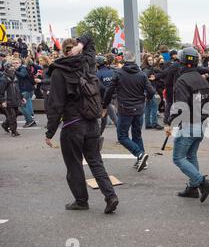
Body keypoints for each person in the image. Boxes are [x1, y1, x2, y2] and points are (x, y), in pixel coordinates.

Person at [45, 35, 119, 214]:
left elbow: (56, 104)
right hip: (92, 122)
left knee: (74, 164)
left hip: (73, 125)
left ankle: (81, 200)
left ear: (63, 51)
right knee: (95, 161)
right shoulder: (88, 63)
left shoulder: (59, 71)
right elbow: (90, 38)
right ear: (77, 48)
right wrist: (81, 45)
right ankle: (110, 196)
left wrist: (49, 132)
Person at [165, 47, 209, 203]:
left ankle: (201, 182)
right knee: (191, 155)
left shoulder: (182, 80)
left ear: (182, 62)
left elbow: (180, 105)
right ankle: (193, 188)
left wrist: (169, 123)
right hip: (200, 124)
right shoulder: (202, 79)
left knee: (178, 158)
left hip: (188, 125)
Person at [103, 51, 155, 173]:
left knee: (122, 136)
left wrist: (104, 104)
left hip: (125, 109)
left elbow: (109, 90)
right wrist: (145, 99)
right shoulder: (141, 74)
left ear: (124, 61)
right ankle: (142, 160)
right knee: (137, 135)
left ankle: (140, 155)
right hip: (139, 109)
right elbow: (151, 91)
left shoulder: (119, 73)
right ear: (134, 60)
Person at [0, 62, 25, 137]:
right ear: (6, 69)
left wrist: (21, 97)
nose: (12, 70)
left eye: (13, 68)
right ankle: (14, 131)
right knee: (12, 116)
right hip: (8, 101)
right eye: (10, 68)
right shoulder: (3, 79)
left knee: (16, 114)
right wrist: (3, 101)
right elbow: (1, 91)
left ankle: (5, 125)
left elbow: (18, 89)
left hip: (15, 100)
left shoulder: (15, 78)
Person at [96, 55, 118, 135]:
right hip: (115, 97)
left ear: (98, 64)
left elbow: (99, 88)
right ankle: (98, 135)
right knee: (104, 118)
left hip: (105, 99)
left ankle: (122, 136)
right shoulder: (112, 71)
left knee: (114, 118)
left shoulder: (98, 74)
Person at [141, 54, 163, 130]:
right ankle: (154, 123)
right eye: (149, 60)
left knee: (148, 107)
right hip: (149, 90)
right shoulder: (146, 69)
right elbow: (145, 78)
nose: (151, 61)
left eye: (151, 60)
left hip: (149, 89)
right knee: (154, 106)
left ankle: (148, 124)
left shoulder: (149, 68)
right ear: (146, 61)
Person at [14, 58, 36, 128]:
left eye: (16, 63)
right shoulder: (18, 69)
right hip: (26, 90)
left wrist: (14, 71)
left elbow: (23, 75)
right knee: (27, 104)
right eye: (13, 63)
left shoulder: (22, 68)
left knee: (21, 106)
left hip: (26, 90)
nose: (15, 64)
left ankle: (29, 120)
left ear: (20, 63)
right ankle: (31, 119)